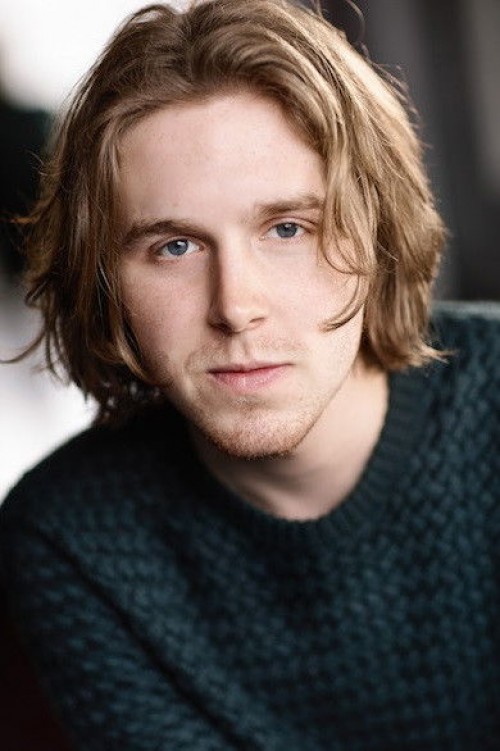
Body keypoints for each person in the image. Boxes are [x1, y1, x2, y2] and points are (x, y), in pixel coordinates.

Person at [1, 0, 499, 748]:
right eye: (174, 246)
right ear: (105, 285)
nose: (235, 307)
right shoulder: (70, 539)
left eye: (288, 228)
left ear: (380, 236)